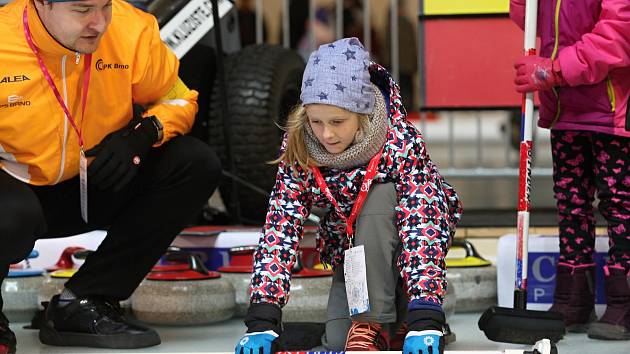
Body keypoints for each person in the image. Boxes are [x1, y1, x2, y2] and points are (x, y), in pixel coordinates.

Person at [0, 0, 221, 352]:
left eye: (105, 6)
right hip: (17, 192)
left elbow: (180, 99)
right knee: (10, 213)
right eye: (83, 9)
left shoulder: (133, 30)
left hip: (99, 178)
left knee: (195, 163)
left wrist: (145, 132)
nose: (99, 23)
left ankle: (85, 301)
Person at [234, 37, 461, 354]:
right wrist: (263, 315)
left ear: (362, 113)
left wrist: (426, 314)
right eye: (316, 121)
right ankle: (388, 322)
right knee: (340, 342)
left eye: (337, 122)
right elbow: (280, 227)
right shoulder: (300, 146)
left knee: (379, 197)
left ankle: (399, 311)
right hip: (354, 255)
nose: (326, 134)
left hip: (404, 243)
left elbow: (422, 225)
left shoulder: (399, 141)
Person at [510, 0, 630, 340]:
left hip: (611, 109)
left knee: (620, 204)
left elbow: (617, 36)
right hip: (565, 108)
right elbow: (527, 18)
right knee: (571, 203)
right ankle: (573, 296)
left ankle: (624, 297)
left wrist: (554, 70)